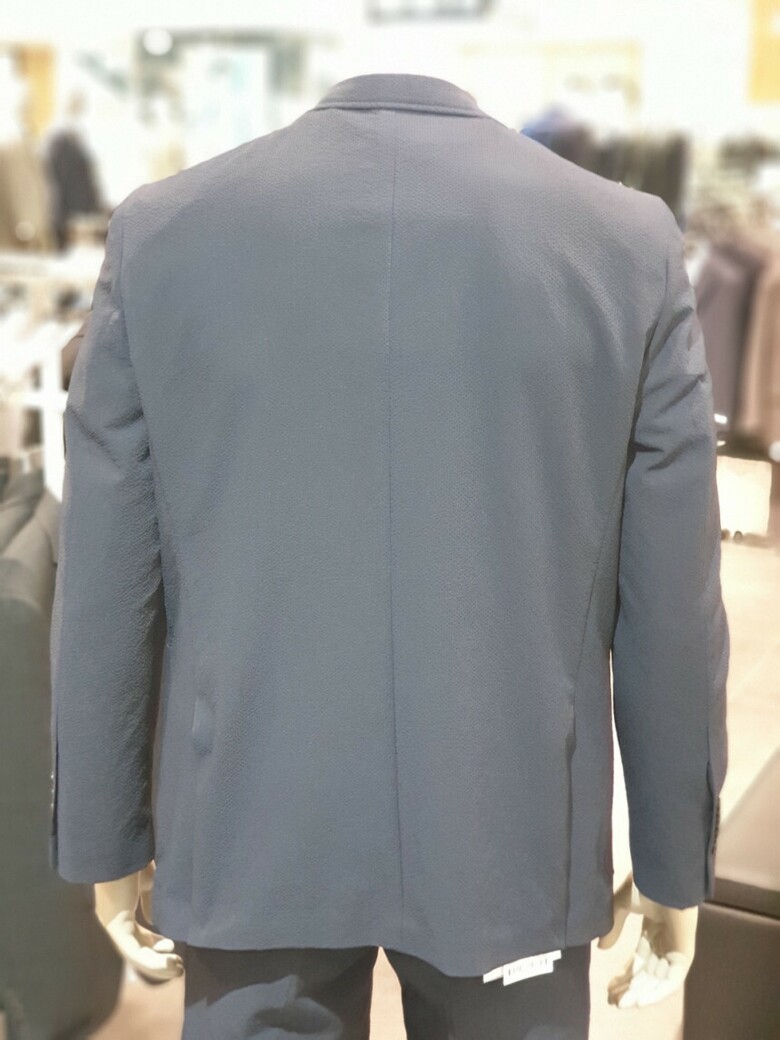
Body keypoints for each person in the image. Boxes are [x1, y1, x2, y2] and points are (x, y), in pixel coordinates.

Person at [50, 56, 729, 1040]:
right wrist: (672, 859)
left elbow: (107, 572)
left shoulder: (164, 232)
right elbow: (673, 601)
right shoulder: (623, 243)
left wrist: (106, 834)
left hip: (249, 815)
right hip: (510, 826)